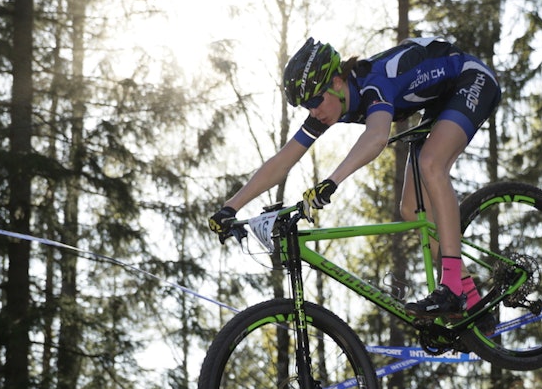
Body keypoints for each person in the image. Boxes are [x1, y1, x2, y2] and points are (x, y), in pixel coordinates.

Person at [209, 36, 501, 316]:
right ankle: (472, 303)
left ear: (337, 82)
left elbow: (376, 137)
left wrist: (332, 181)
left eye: (315, 101)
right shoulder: (332, 104)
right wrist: (230, 207)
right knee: (412, 209)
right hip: (439, 102)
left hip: (470, 78)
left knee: (431, 164)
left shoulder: (374, 83)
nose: (314, 111)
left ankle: (452, 288)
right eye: (307, 106)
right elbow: (283, 160)